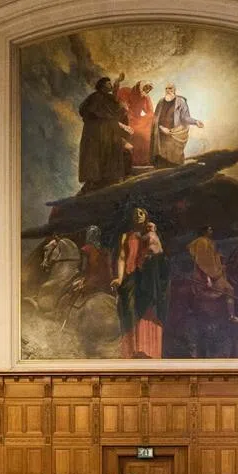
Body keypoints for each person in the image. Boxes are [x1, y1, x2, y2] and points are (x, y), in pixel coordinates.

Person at [113, 206, 170, 359]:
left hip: (147, 277)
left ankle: (149, 349)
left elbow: (159, 253)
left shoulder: (150, 234)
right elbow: (122, 257)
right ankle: (131, 350)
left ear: (146, 216)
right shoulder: (126, 236)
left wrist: (153, 234)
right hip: (131, 277)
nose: (138, 215)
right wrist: (120, 278)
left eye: (141, 213)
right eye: (135, 213)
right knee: (130, 311)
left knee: (149, 311)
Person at [77, 76, 131, 192]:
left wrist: (117, 85)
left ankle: (109, 178)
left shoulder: (109, 97)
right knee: (95, 155)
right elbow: (84, 110)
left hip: (109, 131)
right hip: (96, 132)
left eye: (111, 84)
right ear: (102, 86)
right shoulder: (95, 97)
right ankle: (94, 181)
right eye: (108, 84)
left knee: (110, 152)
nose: (110, 86)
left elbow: (116, 109)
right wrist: (97, 116)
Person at [150, 83, 203, 167]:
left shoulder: (181, 102)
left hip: (174, 133)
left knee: (174, 160)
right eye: (166, 88)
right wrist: (161, 128)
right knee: (162, 160)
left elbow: (185, 117)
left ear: (174, 90)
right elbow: (156, 118)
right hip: (161, 133)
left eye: (170, 88)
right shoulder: (160, 102)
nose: (168, 90)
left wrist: (196, 122)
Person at [115, 79, 155, 166]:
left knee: (146, 132)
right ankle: (134, 161)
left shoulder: (146, 97)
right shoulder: (126, 91)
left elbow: (150, 111)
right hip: (126, 119)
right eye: (146, 88)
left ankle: (143, 160)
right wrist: (128, 112)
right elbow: (123, 105)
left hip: (137, 120)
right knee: (136, 132)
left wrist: (148, 118)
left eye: (149, 89)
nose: (147, 90)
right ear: (140, 87)